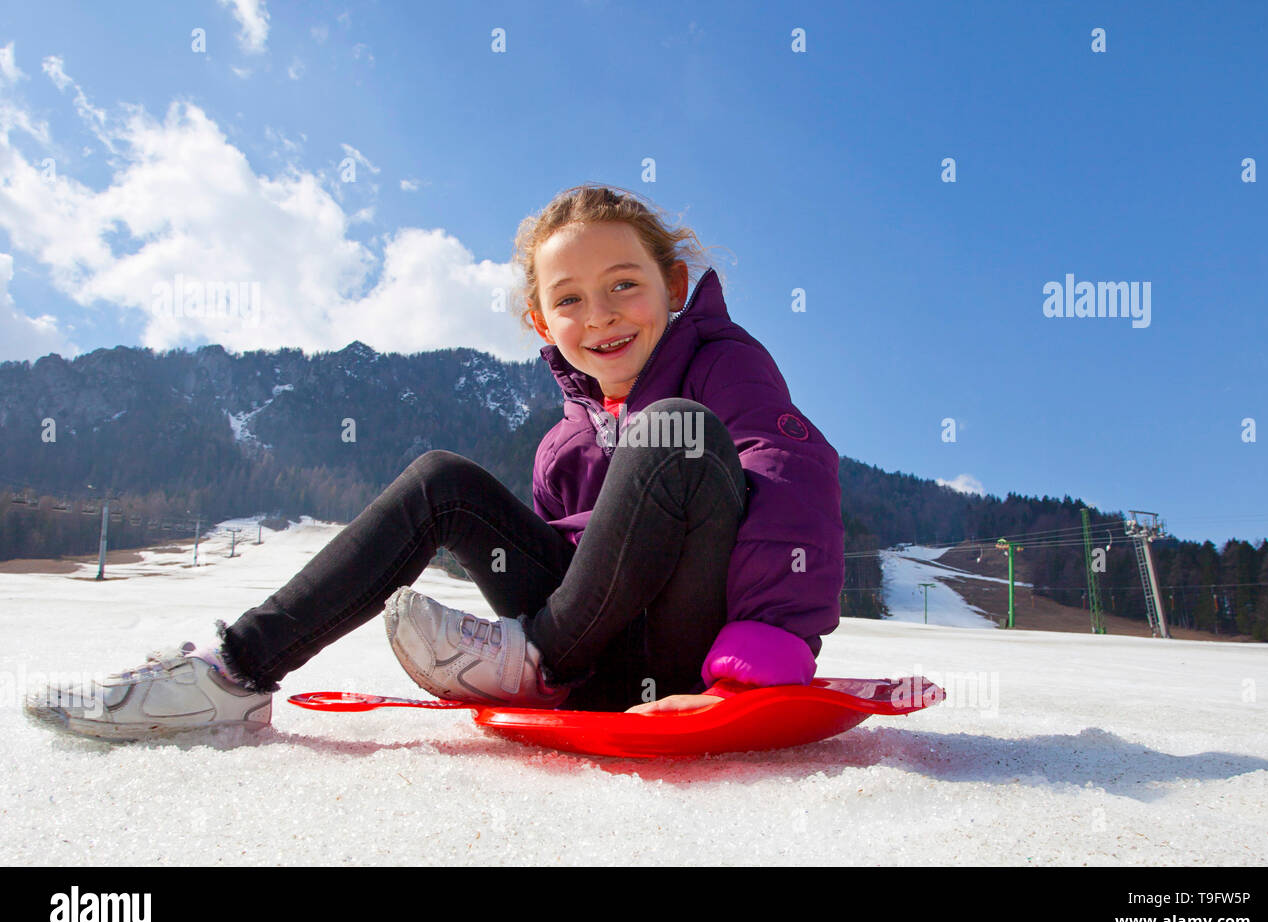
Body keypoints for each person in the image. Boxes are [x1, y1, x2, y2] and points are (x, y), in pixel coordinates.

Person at [26, 183, 844, 741]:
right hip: (593, 664)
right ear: (539, 320)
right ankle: (230, 675)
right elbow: (579, 565)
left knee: (680, 434)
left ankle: (535, 659)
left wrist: (769, 636)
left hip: (695, 654)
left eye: (623, 285)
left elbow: (787, 467)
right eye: (568, 299)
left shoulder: (721, 362)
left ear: (671, 284)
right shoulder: (563, 441)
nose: (599, 316)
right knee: (442, 481)